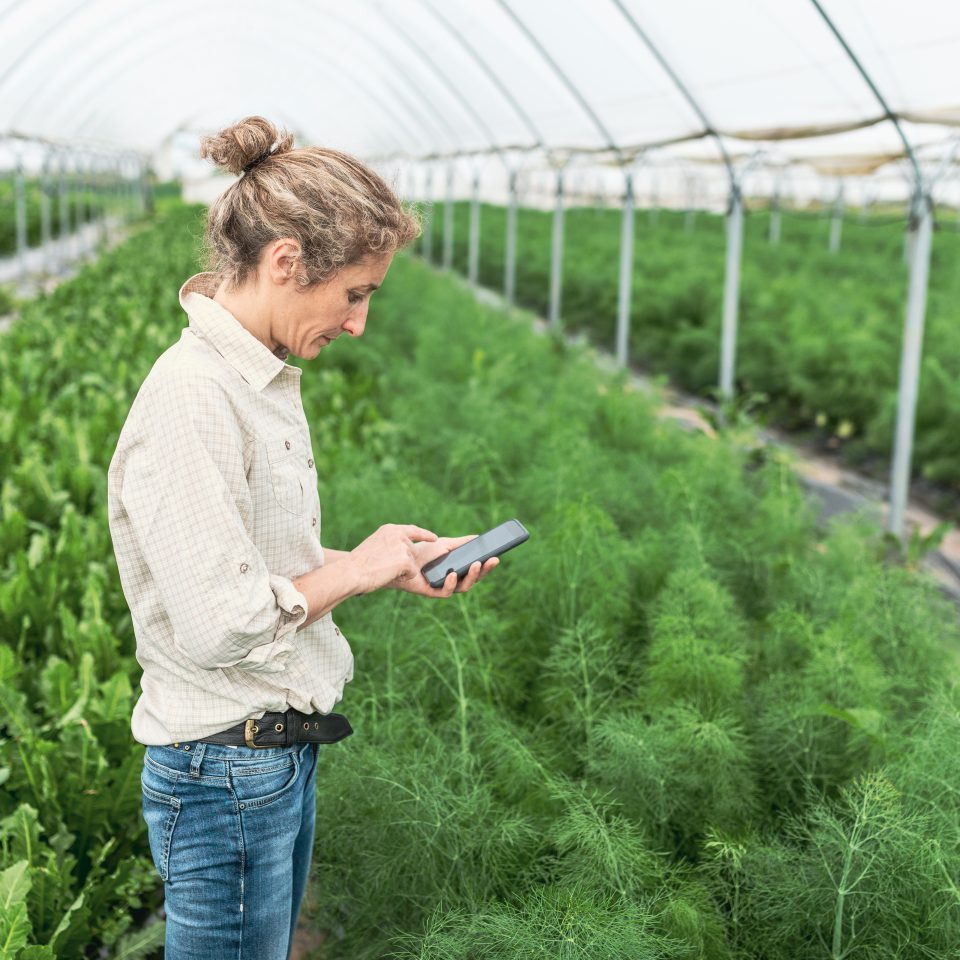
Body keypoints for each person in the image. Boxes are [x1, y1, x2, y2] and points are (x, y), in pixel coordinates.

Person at [106, 116, 498, 960]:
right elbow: (220, 623)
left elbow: (256, 565)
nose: (358, 323)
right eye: (355, 293)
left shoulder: (259, 376)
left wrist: (380, 562)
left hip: (269, 761)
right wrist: (353, 575)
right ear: (286, 262)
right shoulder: (194, 397)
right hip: (223, 774)